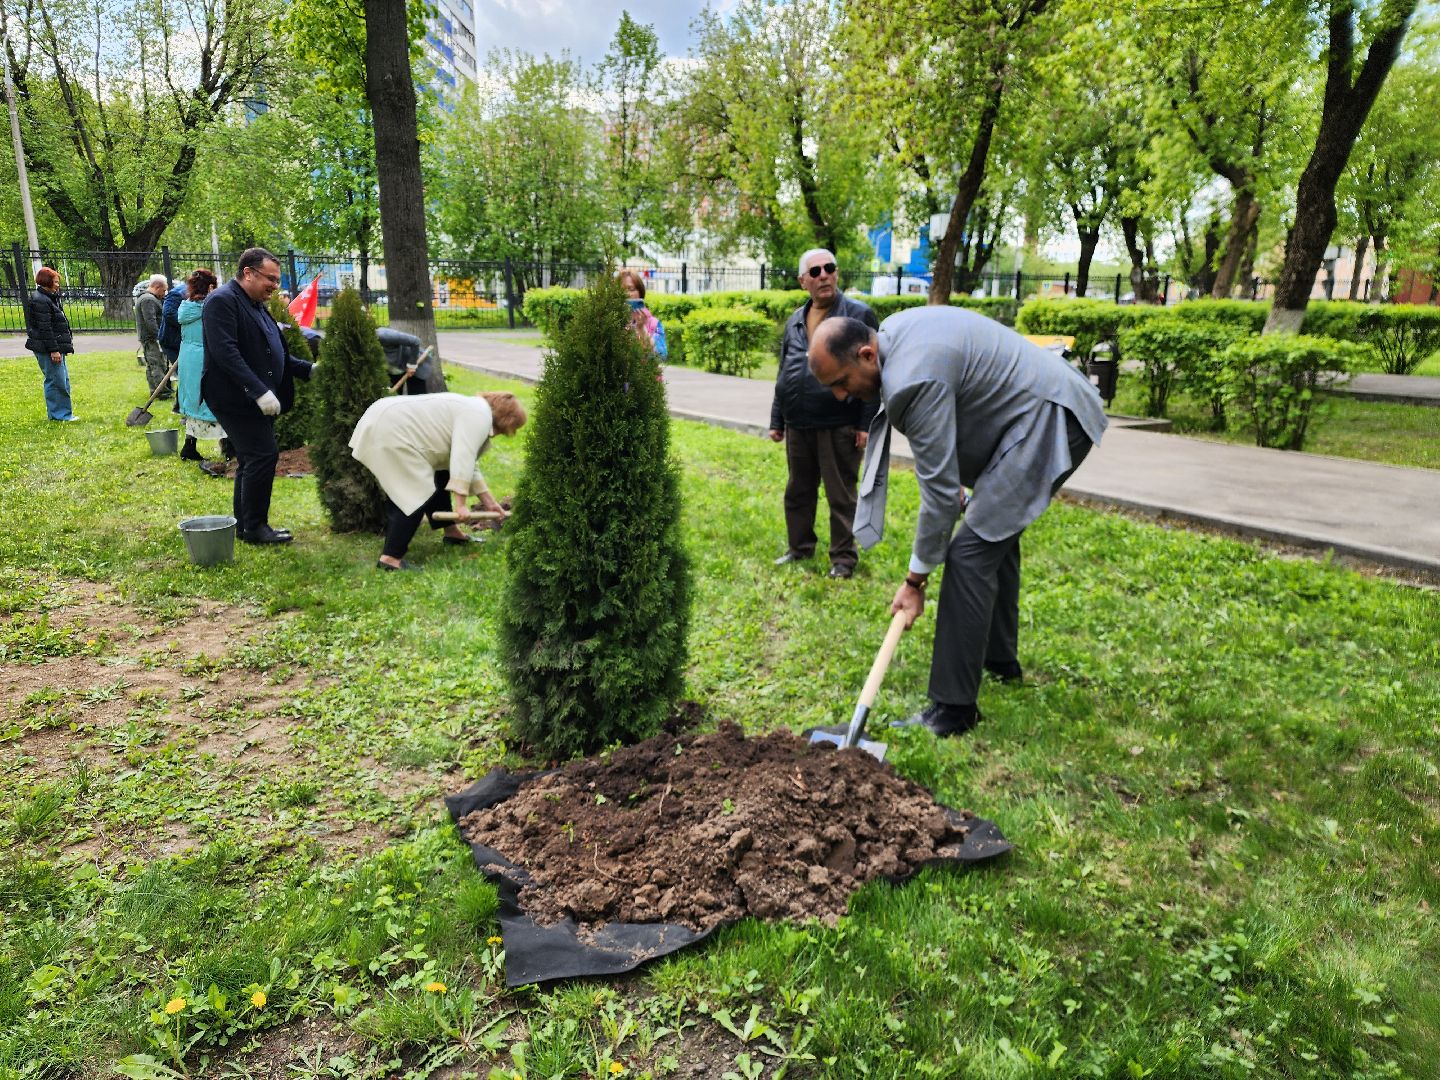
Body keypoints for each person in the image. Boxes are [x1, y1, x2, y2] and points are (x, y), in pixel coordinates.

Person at [807, 306, 1108, 737]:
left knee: (969, 553)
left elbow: (940, 497)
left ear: (867, 355)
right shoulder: (894, 335)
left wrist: (914, 583)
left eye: (841, 382)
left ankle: (954, 709)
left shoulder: (911, 379)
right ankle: (999, 661)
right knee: (993, 532)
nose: (841, 396)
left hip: (1050, 418)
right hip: (1038, 409)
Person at [768, 249, 878, 580]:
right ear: (803, 281)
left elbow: (873, 370)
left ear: (837, 273)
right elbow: (784, 370)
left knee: (840, 494)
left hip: (839, 421)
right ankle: (799, 548)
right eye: (814, 272)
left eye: (829, 268)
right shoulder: (795, 320)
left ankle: (843, 559)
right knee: (798, 491)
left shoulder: (857, 314)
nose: (823, 275)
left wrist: (865, 423)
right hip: (798, 421)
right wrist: (777, 418)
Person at [201, 248, 316, 545]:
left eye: (277, 280)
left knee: (251, 458)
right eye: (271, 279)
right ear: (248, 273)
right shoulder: (222, 301)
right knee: (263, 455)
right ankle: (255, 527)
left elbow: (272, 352)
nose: (275, 286)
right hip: (233, 397)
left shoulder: (255, 304)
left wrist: (309, 370)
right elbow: (226, 352)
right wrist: (259, 392)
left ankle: (246, 526)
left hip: (252, 397)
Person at [349, 391, 527, 571]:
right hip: (392, 429)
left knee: (441, 474)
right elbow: (462, 458)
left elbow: (469, 465)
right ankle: (390, 559)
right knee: (415, 492)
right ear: (506, 420)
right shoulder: (479, 416)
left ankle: (452, 532)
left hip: (383, 417)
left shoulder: (476, 409)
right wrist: (461, 505)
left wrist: (491, 504)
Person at [175, 268, 228, 475]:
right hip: (206, 357)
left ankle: (189, 446)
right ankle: (229, 447)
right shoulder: (211, 307)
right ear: (211, 286)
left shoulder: (185, 306)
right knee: (217, 399)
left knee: (193, 400)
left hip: (188, 357)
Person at [23, 266, 78, 422]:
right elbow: (45, 329)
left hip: (54, 346)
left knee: (62, 381)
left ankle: (63, 414)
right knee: (55, 381)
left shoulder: (49, 297)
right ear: (47, 282)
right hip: (47, 349)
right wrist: (54, 350)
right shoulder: (40, 300)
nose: (58, 285)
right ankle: (59, 415)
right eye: (55, 282)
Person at [135, 274, 171, 397]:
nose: (164, 293)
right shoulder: (148, 300)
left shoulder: (146, 298)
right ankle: (162, 392)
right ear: (157, 287)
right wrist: (159, 337)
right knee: (157, 364)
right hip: (151, 338)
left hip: (149, 337)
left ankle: (155, 391)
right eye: (164, 290)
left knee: (153, 364)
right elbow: (150, 321)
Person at [617, 270, 667, 359]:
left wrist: (641, 329)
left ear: (640, 292)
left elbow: (660, 356)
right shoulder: (608, 320)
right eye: (621, 290)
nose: (626, 294)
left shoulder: (653, 323)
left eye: (631, 289)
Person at [375, 327, 432, 394]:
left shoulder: (384, 335)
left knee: (416, 396)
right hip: (393, 369)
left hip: (412, 363)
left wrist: (412, 365)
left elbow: (415, 341)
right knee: (394, 397)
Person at [158, 277, 187, 382]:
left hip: (183, 340)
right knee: (184, 373)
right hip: (172, 341)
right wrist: (188, 325)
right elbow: (169, 313)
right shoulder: (178, 293)